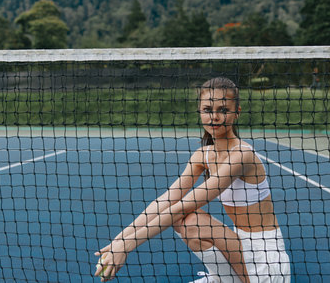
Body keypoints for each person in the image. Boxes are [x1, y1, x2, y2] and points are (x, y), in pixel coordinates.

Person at [95, 77, 290, 282]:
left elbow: (180, 207)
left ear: (237, 112)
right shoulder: (202, 156)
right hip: (237, 245)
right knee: (185, 220)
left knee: (193, 218)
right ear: (200, 111)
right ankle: (224, 278)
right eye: (207, 109)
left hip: (266, 260)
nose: (214, 116)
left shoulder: (241, 156)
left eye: (223, 110)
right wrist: (118, 241)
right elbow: (165, 201)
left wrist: (126, 246)